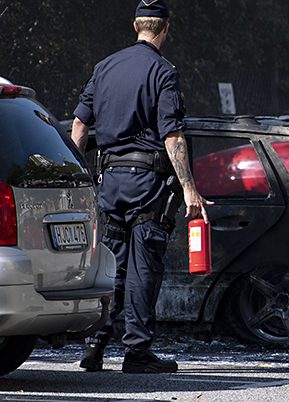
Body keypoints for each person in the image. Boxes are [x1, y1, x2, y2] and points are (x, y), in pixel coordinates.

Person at [71, 0, 212, 373]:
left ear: (136, 25)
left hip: (108, 182)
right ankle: (137, 353)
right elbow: (172, 134)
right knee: (143, 268)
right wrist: (189, 188)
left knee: (110, 267)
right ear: (166, 29)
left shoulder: (104, 67)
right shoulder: (163, 71)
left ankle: (94, 347)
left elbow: (80, 129)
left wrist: (77, 178)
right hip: (147, 184)